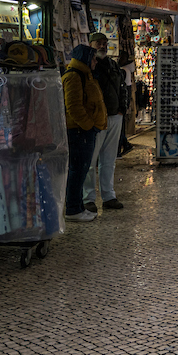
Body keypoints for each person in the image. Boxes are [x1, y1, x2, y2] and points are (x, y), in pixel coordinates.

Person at [63, 44, 107, 222]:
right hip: (79, 132)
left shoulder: (85, 74)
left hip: (84, 131)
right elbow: (73, 107)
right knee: (78, 170)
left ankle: (78, 206)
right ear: (86, 58)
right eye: (93, 58)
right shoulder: (74, 76)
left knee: (81, 170)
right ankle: (73, 209)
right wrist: (88, 125)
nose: (96, 61)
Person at [84, 33, 126, 212]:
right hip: (96, 118)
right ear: (91, 44)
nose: (102, 46)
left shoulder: (113, 65)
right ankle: (88, 198)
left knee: (109, 159)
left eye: (105, 43)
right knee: (90, 160)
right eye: (98, 43)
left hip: (114, 116)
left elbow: (122, 87)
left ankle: (108, 196)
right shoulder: (88, 66)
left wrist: (122, 108)